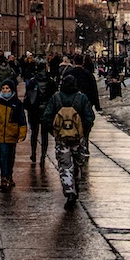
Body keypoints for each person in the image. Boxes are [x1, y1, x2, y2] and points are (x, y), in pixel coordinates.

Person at [43, 72, 95, 209]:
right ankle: (76, 184)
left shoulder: (56, 98)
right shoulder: (81, 98)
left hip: (62, 138)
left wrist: (54, 132)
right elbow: (89, 117)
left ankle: (69, 191)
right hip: (77, 138)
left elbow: (47, 117)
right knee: (78, 163)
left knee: (65, 165)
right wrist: (84, 131)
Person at [0, 75, 27, 191]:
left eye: (7, 88)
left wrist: (22, 133)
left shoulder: (16, 103)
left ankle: (9, 175)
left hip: (12, 134)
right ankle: (3, 178)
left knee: (10, 156)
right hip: (1, 134)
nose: (5, 91)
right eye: (3, 88)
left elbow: (22, 119)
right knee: (3, 156)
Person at [24, 66, 57, 167]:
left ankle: (33, 153)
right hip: (47, 110)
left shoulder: (33, 81)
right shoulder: (51, 82)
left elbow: (28, 96)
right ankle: (43, 155)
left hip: (34, 110)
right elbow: (55, 97)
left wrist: (28, 107)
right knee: (44, 134)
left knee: (34, 133)